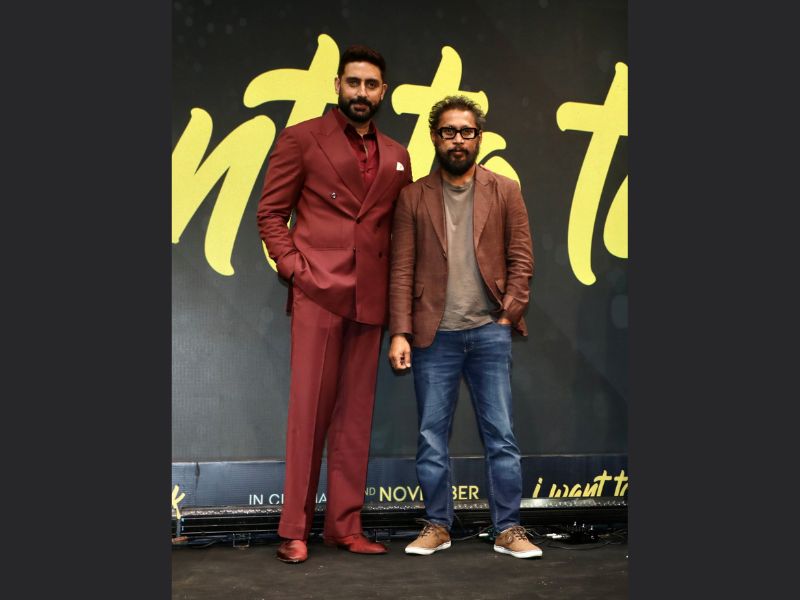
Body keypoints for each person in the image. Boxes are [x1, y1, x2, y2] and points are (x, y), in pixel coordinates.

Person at [257, 44, 412, 564]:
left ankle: (345, 526)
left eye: (371, 84)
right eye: (353, 82)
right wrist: (296, 270)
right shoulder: (302, 138)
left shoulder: (397, 154)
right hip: (318, 293)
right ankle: (294, 530)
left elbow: (397, 233)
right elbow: (270, 214)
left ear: (383, 92)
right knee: (309, 415)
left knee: (355, 419)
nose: (361, 92)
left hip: (370, 297)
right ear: (337, 85)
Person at [388, 95, 541, 559]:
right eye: (449, 131)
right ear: (435, 137)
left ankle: (508, 528)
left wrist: (507, 314)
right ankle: (438, 525)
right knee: (431, 437)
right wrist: (400, 331)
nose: (458, 140)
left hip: (489, 331)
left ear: (479, 137)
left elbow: (522, 259)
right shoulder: (413, 196)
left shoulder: (505, 190)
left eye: (467, 131)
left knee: (501, 436)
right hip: (433, 336)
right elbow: (401, 269)